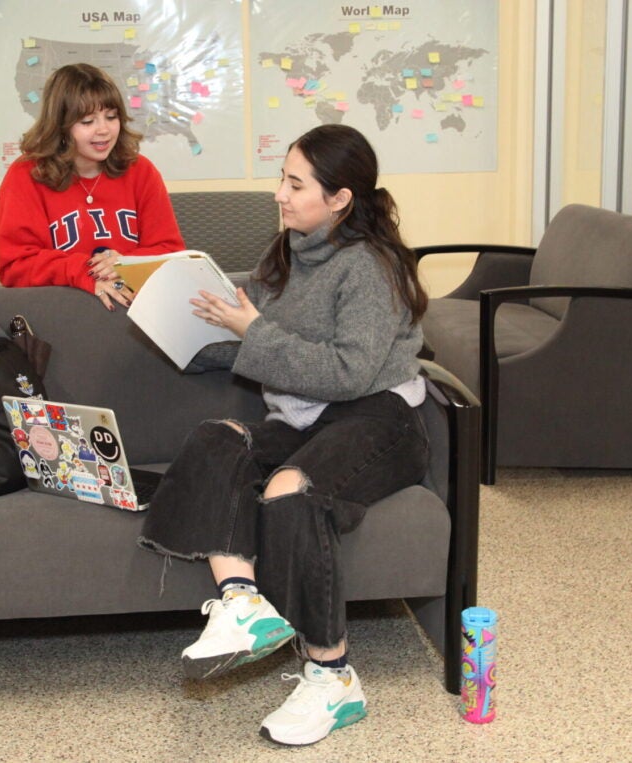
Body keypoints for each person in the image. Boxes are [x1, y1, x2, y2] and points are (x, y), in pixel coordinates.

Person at [137, 124, 430, 747]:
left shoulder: (370, 269)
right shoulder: (289, 252)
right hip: (305, 417)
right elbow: (243, 338)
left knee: (290, 489)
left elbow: (347, 373)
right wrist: (151, 304)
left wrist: (251, 330)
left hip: (377, 416)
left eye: (296, 185)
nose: (280, 194)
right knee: (218, 438)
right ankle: (242, 603)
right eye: (283, 179)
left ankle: (333, 676)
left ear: (340, 198)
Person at [0, 63, 185, 311]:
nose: (103, 130)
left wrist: (126, 264)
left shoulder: (141, 171)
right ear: (60, 126)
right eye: (87, 121)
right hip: (60, 313)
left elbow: (170, 252)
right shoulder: (26, 176)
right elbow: (15, 266)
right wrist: (84, 271)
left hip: (135, 316)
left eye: (111, 117)